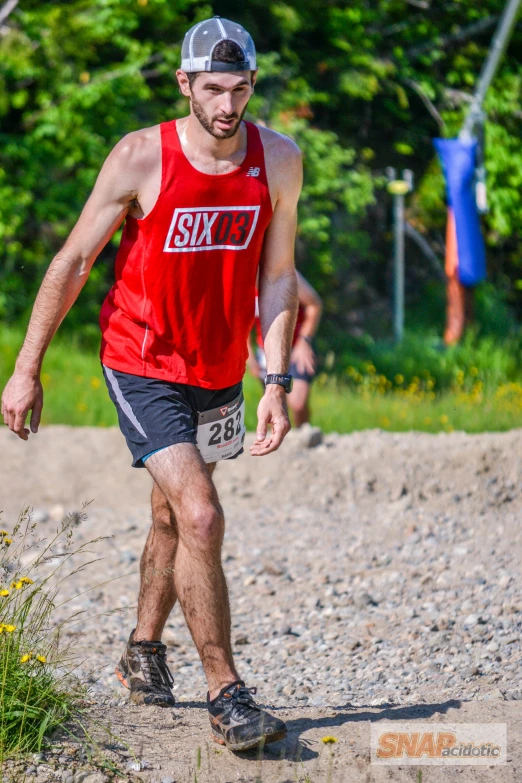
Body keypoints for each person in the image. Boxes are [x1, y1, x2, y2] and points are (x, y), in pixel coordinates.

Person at [1, 16, 302, 752]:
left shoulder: (280, 159)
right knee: (201, 514)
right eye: (212, 90)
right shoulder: (142, 157)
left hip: (217, 365)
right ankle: (227, 692)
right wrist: (27, 365)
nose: (227, 106)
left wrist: (276, 375)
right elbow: (74, 260)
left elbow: (277, 275)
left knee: (171, 516)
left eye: (239, 89)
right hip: (139, 358)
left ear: (253, 85)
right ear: (184, 84)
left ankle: (142, 648)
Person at [247, 270, 322, 426]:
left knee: (298, 403)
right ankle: (276, 447)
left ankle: (305, 435)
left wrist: (304, 341)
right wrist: (250, 357)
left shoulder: (283, 273)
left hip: (296, 348)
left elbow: (314, 304)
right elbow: (241, 324)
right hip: (267, 352)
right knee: (272, 407)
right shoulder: (243, 285)